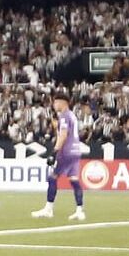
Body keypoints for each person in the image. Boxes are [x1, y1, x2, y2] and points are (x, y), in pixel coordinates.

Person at [31, 92, 87, 221]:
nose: (54, 105)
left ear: (63, 102)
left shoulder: (64, 116)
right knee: (74, 179)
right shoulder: (72, 115)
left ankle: (48, 209)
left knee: (52, 178)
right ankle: (79, 210)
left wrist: (54, 152)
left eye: (56, 102)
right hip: (75, 151)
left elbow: (63, 135)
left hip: (65, 152)